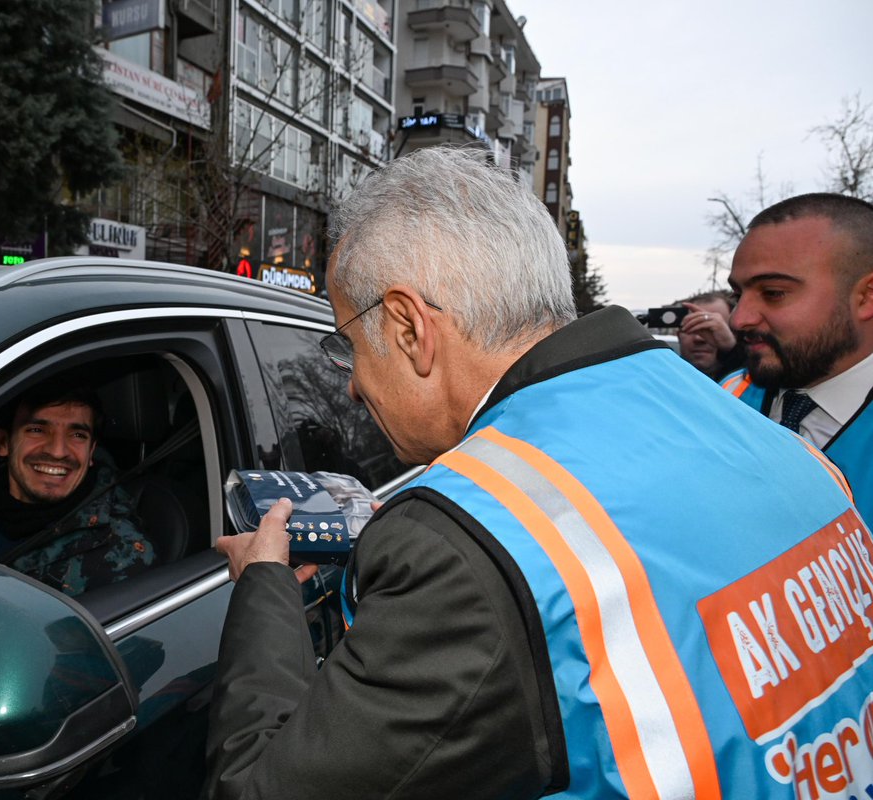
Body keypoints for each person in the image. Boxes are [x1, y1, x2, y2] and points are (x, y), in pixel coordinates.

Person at [206, 147, 872, 799]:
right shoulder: (746, 425)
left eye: (348, 344)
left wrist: (263, 585)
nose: (349, 385)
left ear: (410, 329)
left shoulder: (460, 544)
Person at [722, 193, 873, 522]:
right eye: (737, 294)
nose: (738, 318)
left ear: (866, 297)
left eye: (773, 293)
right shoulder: (727, 398)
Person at [0, 377, 154, 596]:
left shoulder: (120, 551)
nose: (58, 451)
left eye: (77, 435)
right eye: (37, 429)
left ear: (91, 451)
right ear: (3, 442)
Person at [676, 290, 744, 379]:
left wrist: (733, 352)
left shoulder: (756, 384)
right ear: (678, 335)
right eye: (691, 326)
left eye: (712, 328)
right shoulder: (661, 377)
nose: (699, 338)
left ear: (734, 334)